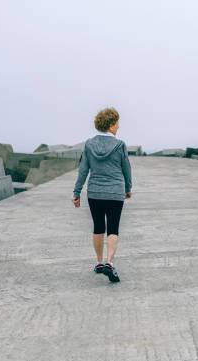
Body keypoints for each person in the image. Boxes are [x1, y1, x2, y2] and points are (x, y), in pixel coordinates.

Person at [72, 107, 132, 283]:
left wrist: (76, 192)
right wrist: (128, 188)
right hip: (115, 191)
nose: (119, 126)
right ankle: (110, 263)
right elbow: (126, 169)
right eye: (117, 123)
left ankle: (99, 263)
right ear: (111, 125)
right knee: (113, 227)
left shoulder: (90, 144)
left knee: (98, 226)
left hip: (95, 192)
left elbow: (83, 170)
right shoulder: (120, 145)